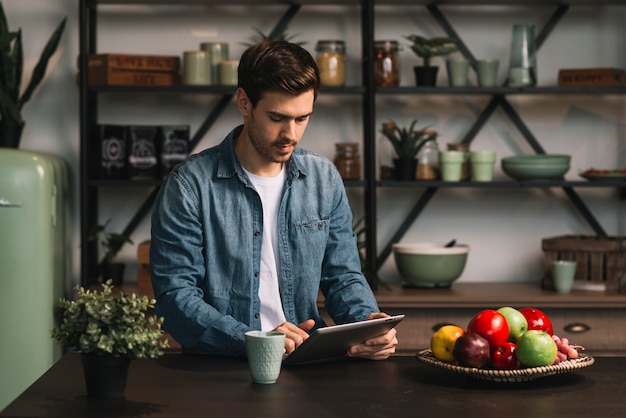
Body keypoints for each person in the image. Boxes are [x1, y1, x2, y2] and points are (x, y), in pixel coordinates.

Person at [150, 40, 398, 359]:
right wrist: (254, 340)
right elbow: (176, 298)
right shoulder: (189, 185)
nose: (291, 134)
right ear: (244, 103)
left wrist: (367, 324)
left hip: (309, 361)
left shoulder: (324, 178)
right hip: (224, 368)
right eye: (278, 118)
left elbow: (343, 275)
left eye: (302, 118)